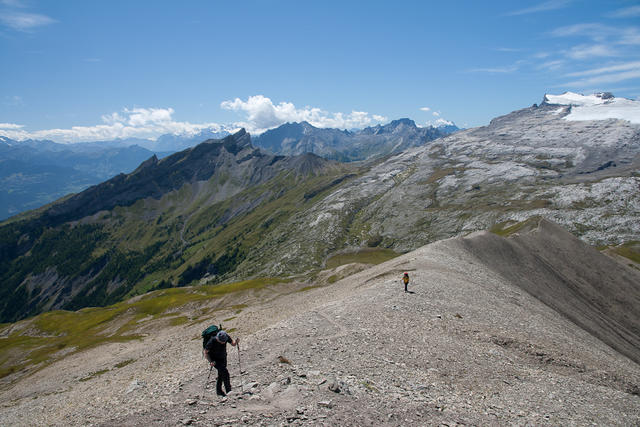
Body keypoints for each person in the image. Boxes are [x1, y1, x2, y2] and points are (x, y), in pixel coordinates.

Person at [204, 330, 238, 396]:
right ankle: (229, 391)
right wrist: (210, 361)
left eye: (224, 342)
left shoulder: (226, 337)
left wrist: (236, 342)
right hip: (215, 360)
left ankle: (219, 391)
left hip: (223, 357)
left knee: (221, 374)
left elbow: (233, 344)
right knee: (225, 373)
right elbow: (205, 352)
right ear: (217, 338)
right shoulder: (212, 341)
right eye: (221, 341)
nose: (222, 343)